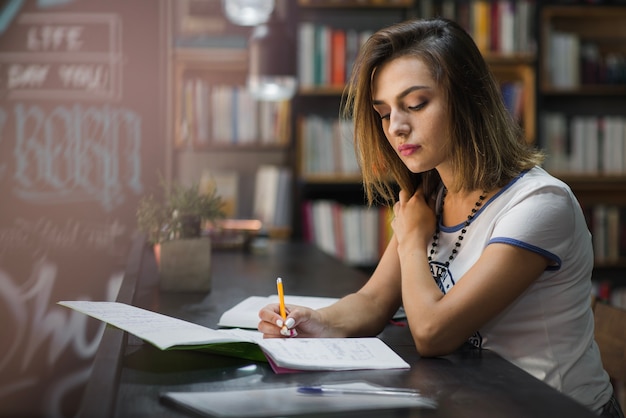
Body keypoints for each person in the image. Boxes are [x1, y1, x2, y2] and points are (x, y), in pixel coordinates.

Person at [258, 18, 623, 417]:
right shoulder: (431, 197)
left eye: (415, 104)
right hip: (472, 401)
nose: (396, 126)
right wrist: (314, 320)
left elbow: (433, 334)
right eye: (384, 112)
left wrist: (412, 240)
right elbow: (374, 300)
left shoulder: (539, 204)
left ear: (470, 99)